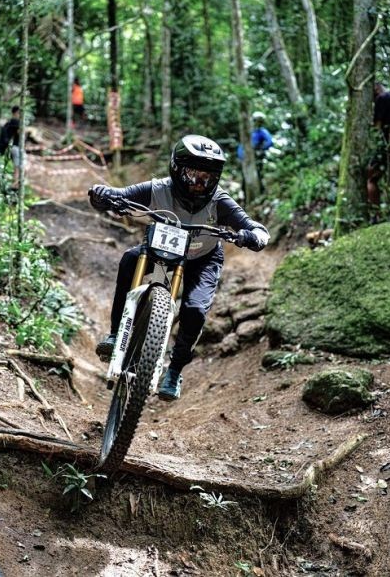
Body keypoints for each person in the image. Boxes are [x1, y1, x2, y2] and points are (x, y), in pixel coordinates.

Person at [88, 135, 270, 400]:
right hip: (158, 249)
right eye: (193, 176)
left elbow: (254, 226)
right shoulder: (158, 189)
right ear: (176, 169)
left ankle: (174, 371)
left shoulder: (219, 201)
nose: (199, 184)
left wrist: (253, 235)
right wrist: (104, 195)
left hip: (203, 258)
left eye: (207, 178)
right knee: (129, 259)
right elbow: (120, 195)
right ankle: (117, 334)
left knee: (195, 310)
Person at [368, 82, 390, 207]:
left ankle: (375, 212)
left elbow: (377, 127)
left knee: (371, 176)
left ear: (376, 88)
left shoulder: (381, 98)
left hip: (389, 144)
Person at [237, 111, 274, 188]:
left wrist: (260, 148)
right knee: (245, 176)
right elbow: (241, 146)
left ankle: (261, 189)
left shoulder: (262, 131)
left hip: (257, 156)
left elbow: (269, 142)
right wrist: (241, 156)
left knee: (258, 173)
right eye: (256, 120)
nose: (257, 123)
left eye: (260, 121)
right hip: (246, 158)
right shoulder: (249, 132)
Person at [0, 106, 23, 189]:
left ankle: (14, 183)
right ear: (16, 113)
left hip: (10, 147)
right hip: (15, 147)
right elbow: (20, 134)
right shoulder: (16, 122)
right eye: (20, 112)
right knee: (18, 166)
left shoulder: (8, 123)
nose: (20, 114)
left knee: (16, 166)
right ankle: (15, 184)